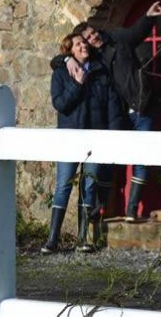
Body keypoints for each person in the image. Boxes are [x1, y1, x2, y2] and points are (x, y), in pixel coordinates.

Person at [53, 1, 161, 222]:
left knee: (142, 157)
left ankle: (132, 210)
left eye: (94, 33)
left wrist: (149, 16)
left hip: (141, 108)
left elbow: (137, 32)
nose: (94, 38)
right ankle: (102, 209)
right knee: (110, 162)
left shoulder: (118, 40)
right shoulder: (93, 60)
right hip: (120, 115)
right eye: (89, 38)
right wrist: (65, 58)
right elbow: (60, 59)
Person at [42, 33, 124, 254]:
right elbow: (60, 104)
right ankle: (53, 239)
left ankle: (83, 238)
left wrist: (112, 135)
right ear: (70, 51)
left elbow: (111, 106)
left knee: (89, 186)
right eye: (78, 44)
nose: (83, 46)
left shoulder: (99, 72)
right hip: (69, 137)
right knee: (64, 186)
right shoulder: (60, 74)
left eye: (84, 43)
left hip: (94, 138)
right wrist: (77, 84)